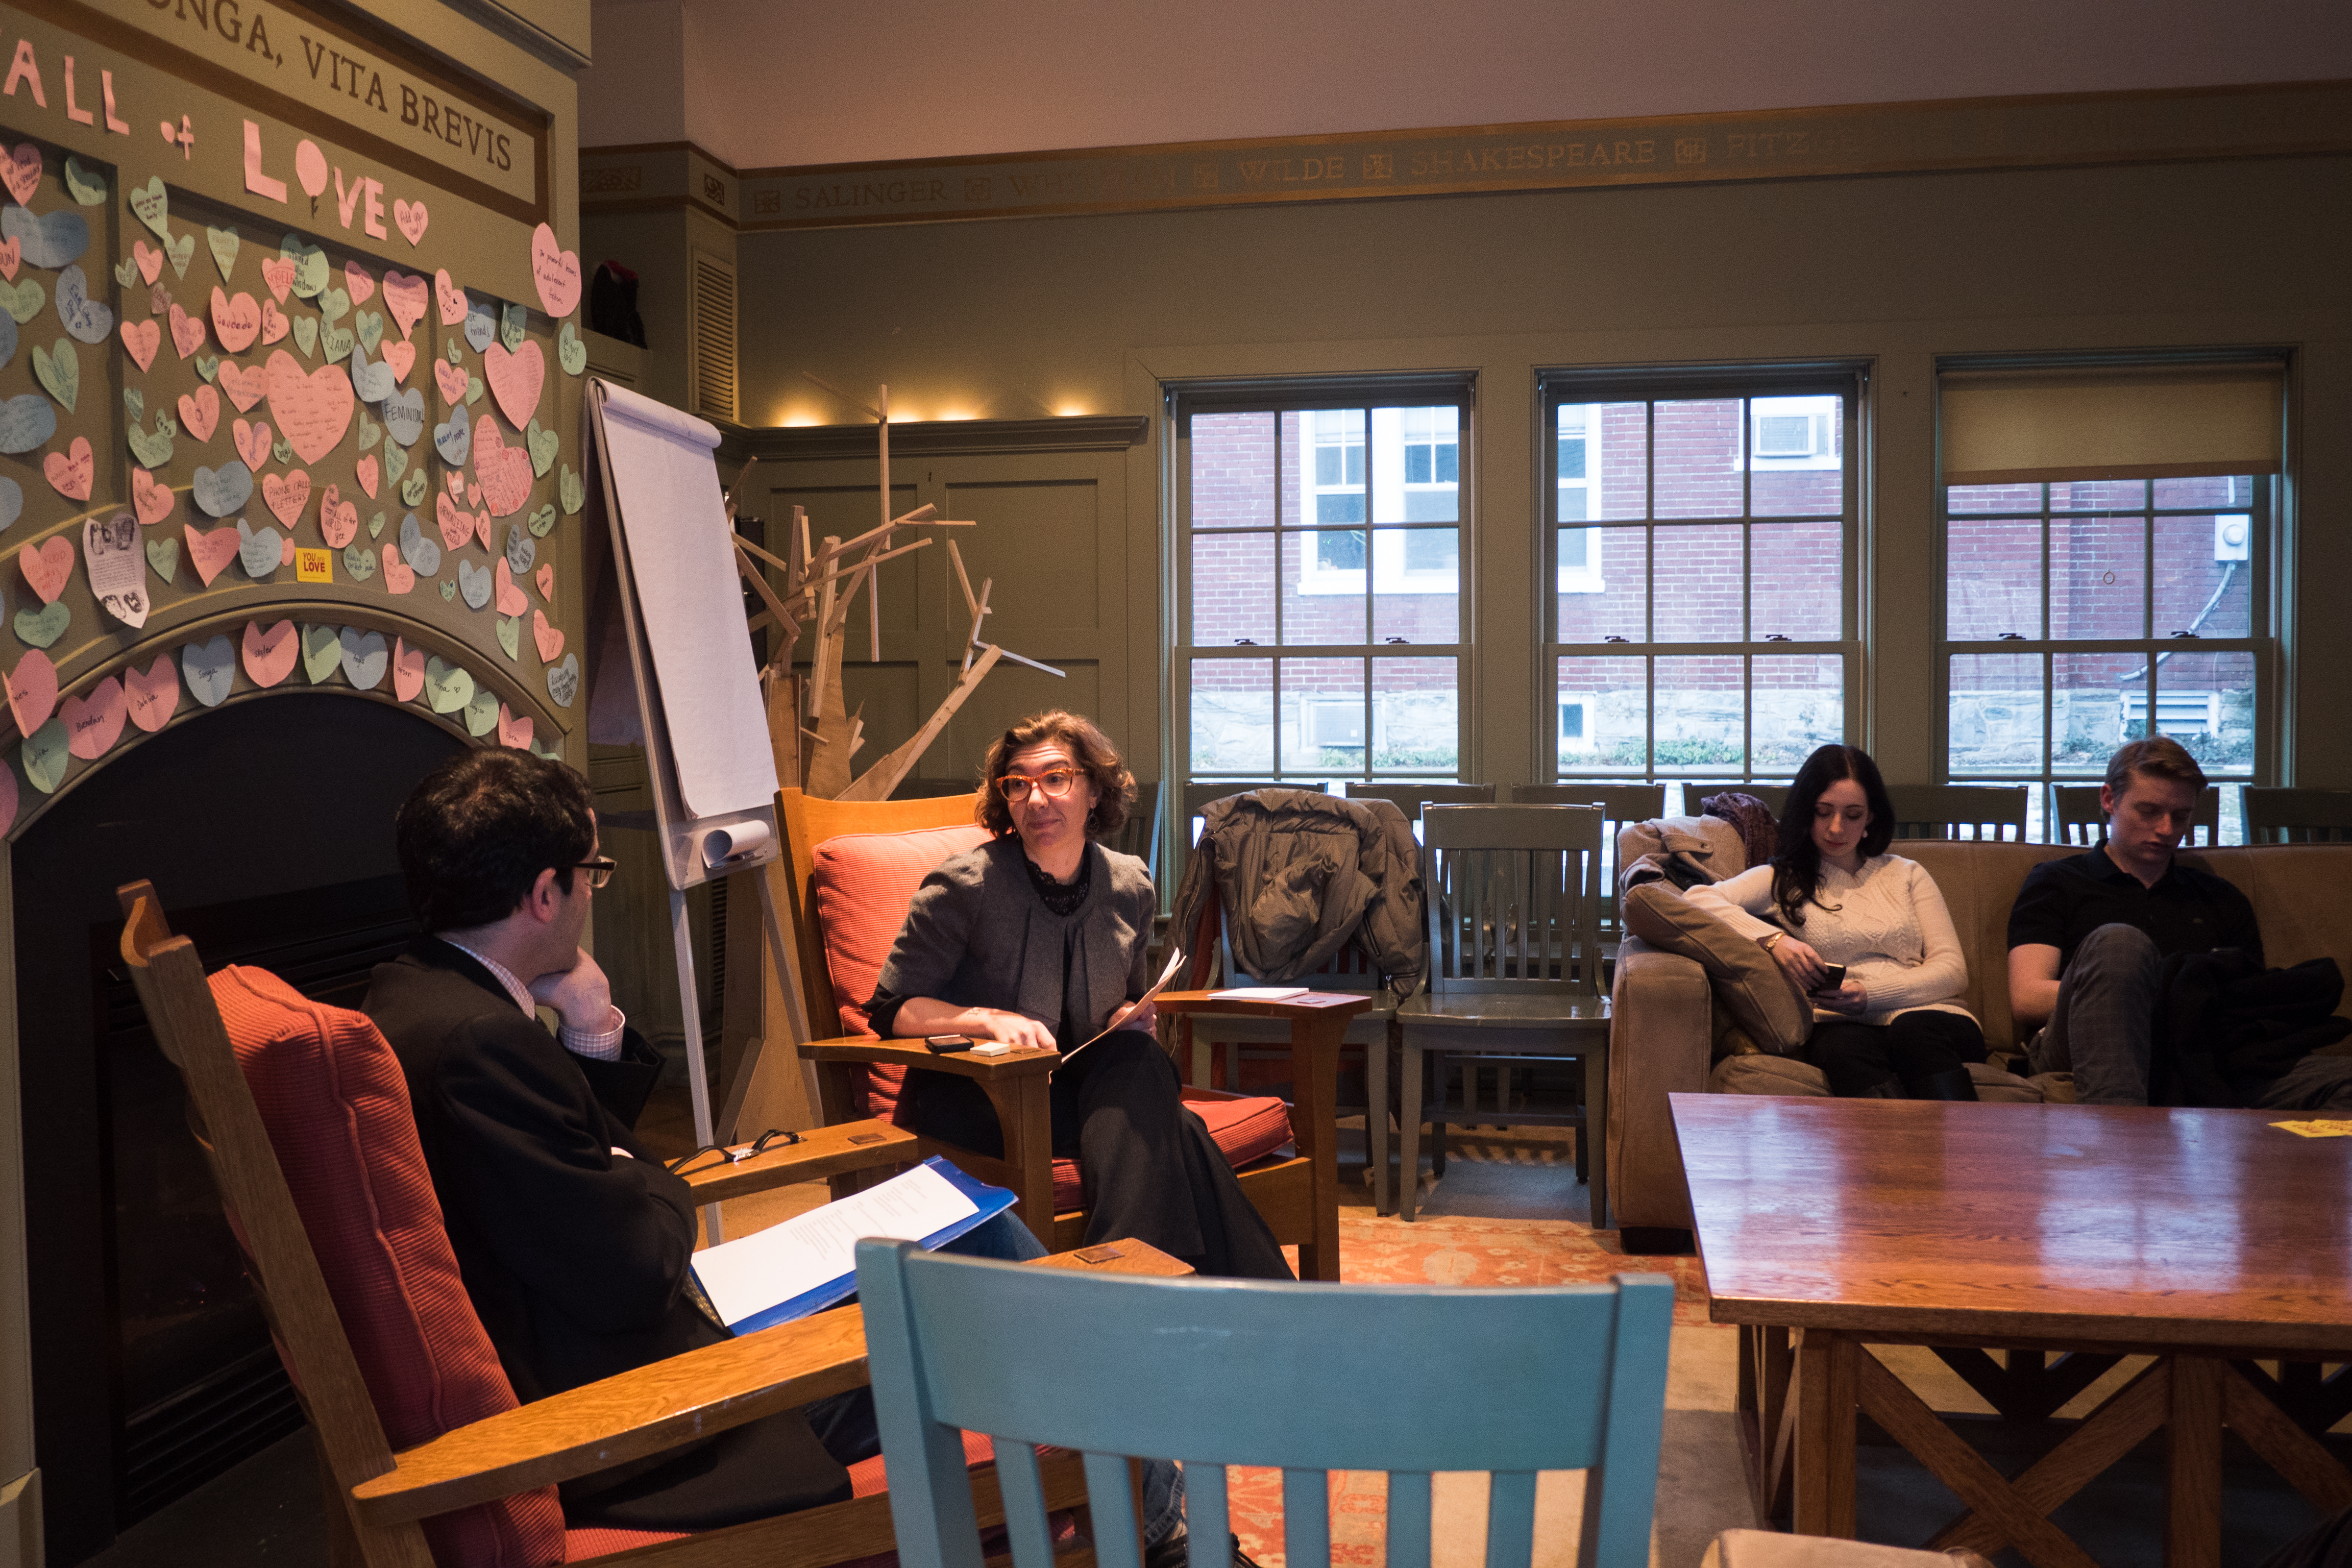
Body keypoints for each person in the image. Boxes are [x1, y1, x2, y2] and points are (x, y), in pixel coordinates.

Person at [365, 747, 1046, 1534]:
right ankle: (1135, 1505)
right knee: (992, 1275)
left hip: (616, 1339)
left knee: (957, 1241)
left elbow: (569, 1168)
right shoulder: (480, 1044)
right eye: (592, 871)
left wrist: (590, 1030)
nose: (595, 890)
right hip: (652, 1413)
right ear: (546, 894)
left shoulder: (414, 996)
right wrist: (646, 1177)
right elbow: (638, 1256)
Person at [868, 709, 1293, 1282]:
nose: (1036, 799)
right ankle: (1241, 1302)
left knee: (1140, 1060)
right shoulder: (964, 886)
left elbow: (1126, 1003)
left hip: (1085, 1089)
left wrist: (1127, 1015)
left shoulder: (1129, 884)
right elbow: (893, 1008)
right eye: (1018, 784)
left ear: (1093, 790)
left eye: (1056, 779)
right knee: (1177, 1131)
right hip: (984, 1095)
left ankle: (1114, 1285)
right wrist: (987, 1019)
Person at [2008, 737, 2352, 1109]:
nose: (2167, 829)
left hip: (2202, 1053)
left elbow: (2246, 1006)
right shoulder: (2058, 882)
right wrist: (2143, 994)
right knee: (2120, 944)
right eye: (2149, 811)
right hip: (2084, 1041)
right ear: (2109, 799)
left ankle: (2246, 1163)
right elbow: (2027, 997)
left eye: (2181, 816)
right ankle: (2118, 1143)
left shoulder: (2220, 897)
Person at [1687, 744, 1989, 1099]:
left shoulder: (1906, 874)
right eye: (1823, 812)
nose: (1836, 828)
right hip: (1840, 1022)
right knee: (1840, 1050)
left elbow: (1953, 970)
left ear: (1871, 817)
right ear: (1805, 812)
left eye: (1852, 814)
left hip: (1930, 1016)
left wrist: (1871, 995)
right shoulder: (1783, 879)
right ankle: (1891, 1155)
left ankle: (1963, 1152)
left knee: (1913, 1032)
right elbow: (1697, 899)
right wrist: (1774, 941)